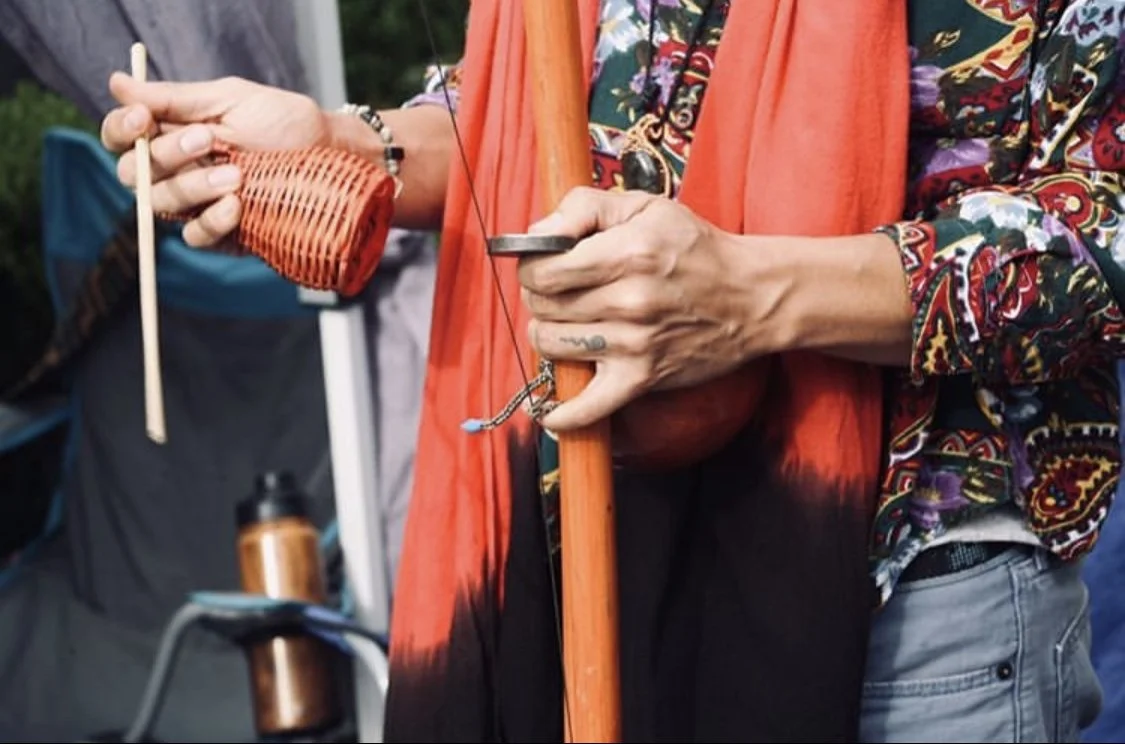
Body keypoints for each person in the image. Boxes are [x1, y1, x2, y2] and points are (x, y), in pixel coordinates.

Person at [100, 0, 1124, 741]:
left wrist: (751, 294)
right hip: (592, 581)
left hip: (906, 629)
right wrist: (345, 143)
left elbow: (1107, 233)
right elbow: (550, 120)